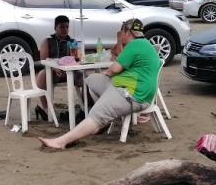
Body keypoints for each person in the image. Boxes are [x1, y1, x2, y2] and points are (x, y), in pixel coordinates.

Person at [38, 19, 160, 150]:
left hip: (130, 93)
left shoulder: (133, 45)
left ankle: (61, 141)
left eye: (121, 32)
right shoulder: (146, 44)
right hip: (136, 91)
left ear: (126, 32)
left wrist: (107, 72)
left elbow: (115, 69)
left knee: (96, 113)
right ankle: (104, 120)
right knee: (91, 79)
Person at [34, 15, 81, 120]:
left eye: (67, 27)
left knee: (85, 78)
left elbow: (76, 59)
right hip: (52, 72)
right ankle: (46, 108)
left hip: (70, 71)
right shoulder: (47, 41)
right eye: (62, 27)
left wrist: (75, 57)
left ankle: (87, 107)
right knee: (42, 74)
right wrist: (55, 68)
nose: (65, 30)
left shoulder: (72, 42)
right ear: (55, 28)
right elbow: (44, 60)